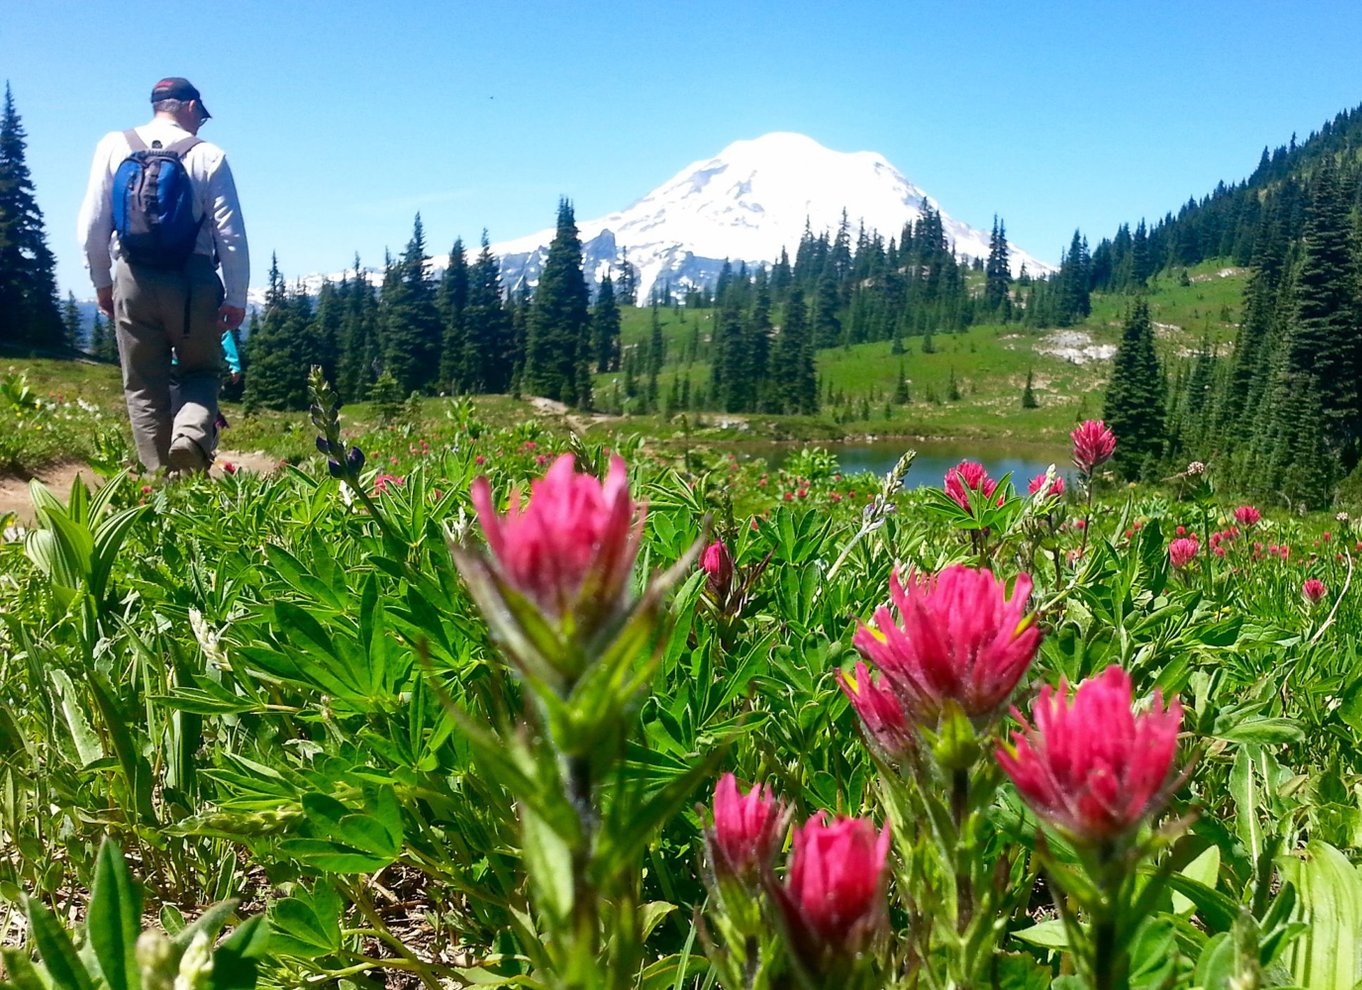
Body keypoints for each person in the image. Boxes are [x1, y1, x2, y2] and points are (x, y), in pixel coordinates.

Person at [78, 77, 249, 474]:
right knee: (201, 371)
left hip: (133, 277)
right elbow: (231, 234)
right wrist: (236, 297)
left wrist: (102, 282)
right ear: (189, 107)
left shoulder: (112, 145)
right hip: (193, 279)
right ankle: (189, 437)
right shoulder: (209, 156)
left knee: (143, 385)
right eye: (200, 116)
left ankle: (159, 482)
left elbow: (92, 226)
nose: (201, 124)